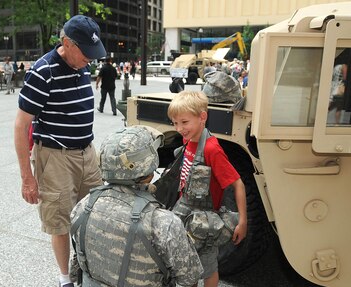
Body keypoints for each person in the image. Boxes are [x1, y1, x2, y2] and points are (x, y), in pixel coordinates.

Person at [14, 15, 106, 287]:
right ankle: (65, 279)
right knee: (60, 221)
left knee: (94, 213)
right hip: (55, 157)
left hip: (87, 152)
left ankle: (88, 268)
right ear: (67, 43)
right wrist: (27, 178)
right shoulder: (43, 72)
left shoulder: (82, 64)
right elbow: (21, 127)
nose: (90, 59)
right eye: (86, 53)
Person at [70, 125, 204, 287]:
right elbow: (190, 280)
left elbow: (78, 265)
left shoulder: (84, 207)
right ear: (149, 170)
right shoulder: (163, 223)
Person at [167, 91, 247, 287]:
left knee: (208, 268)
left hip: (204, 224)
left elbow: (237, 184)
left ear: (202, 117)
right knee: (188, 267)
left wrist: (243, 221)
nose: (179, 128)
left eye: (184, 122)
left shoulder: (212, 149)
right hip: (184, 215)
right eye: (175, 123)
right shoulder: (189, 140)